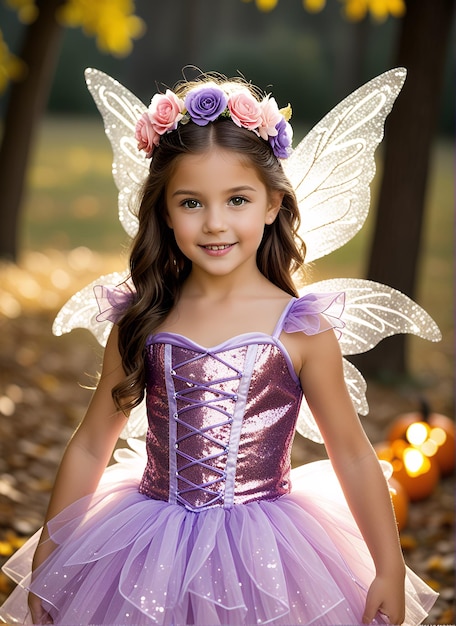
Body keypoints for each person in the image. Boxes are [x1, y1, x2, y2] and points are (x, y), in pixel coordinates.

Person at [0, 71, 438, 626]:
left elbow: (351, 453)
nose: (214, 223)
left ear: (273, 203)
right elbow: (91, 444)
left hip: (268, 558)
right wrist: (52, 553)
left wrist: (388, 567)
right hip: (147, 549)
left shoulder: (301, 328)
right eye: (190, 203)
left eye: (237, 199)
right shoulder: (142, 318)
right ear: (163, 209)